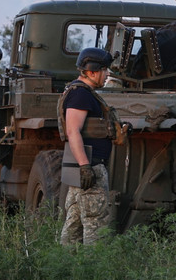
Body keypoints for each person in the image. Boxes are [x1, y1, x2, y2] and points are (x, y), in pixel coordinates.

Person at [58, 47, 116, 245]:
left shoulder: (82, 93)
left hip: (84, 168)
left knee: (73, 226)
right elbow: (73, 131)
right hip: (89, 168)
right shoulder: (80, 94)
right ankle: (94, 270)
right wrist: (85, 166)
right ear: (92, 71)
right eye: (104, 70)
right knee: (96, 227)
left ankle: (66, 268)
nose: (107, 75)